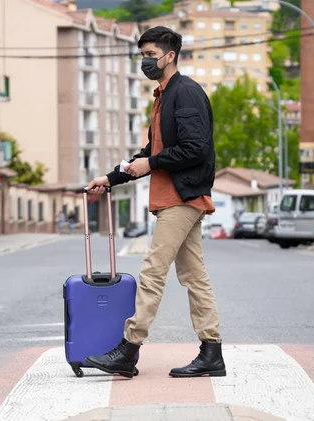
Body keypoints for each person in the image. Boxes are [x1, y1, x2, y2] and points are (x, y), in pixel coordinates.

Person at [84, 26, 226, 379]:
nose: (145, 61)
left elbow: (196, 148)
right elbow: (151, 154)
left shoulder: (186, 92)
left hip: (182, 197)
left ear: (170, 55)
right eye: (143, 55)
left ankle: (128, 350)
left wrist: (153, 163)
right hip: (176, 197)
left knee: (152, 272)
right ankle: (212, 353)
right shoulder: (163, 96)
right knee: (195, 277)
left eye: (151, 55)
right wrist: (111, 177)